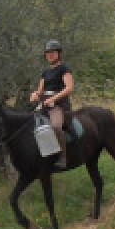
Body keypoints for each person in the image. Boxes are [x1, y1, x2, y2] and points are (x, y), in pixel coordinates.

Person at [29, 39, 74, 167]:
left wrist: (54, 98)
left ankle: (63, 157)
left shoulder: (64, 69)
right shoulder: (45, 72)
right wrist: (35, 95)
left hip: (59, 105)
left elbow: (69, 87)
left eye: (53, 52)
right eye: (48, 53)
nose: (50, 55)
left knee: (55, 126)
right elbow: (40, 91)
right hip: (45, 104)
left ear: (59, 54)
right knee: (28, 125)